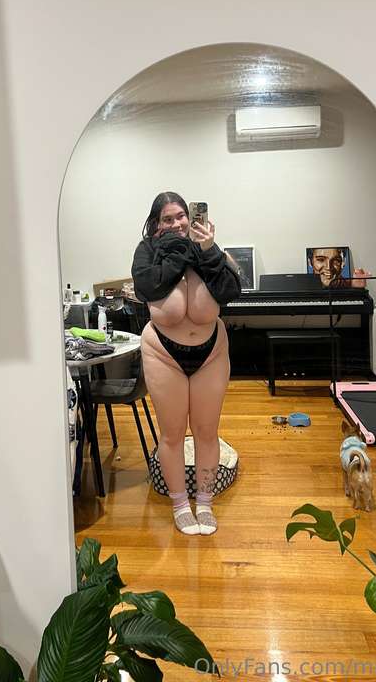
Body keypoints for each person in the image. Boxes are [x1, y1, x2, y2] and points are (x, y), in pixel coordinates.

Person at [131, 192, 241, 535]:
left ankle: (204, 503)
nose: (177, 223)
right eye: (168, 219)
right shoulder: (147, 250)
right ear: (156, 224)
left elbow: (230, 291)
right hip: (163, 353)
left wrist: (208, 250)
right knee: (172, 434)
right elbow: (149, 284)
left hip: (211, 353)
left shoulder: (206, 248)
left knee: (207, 432)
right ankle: (180, 505)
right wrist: (179, 250)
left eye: (181, 216)